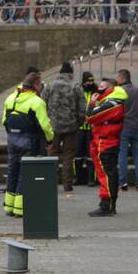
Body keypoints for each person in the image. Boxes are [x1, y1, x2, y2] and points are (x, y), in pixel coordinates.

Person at [1, 72, 54, 217]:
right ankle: (21, 209)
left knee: (13, 171)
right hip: (29, 141)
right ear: (36, 85)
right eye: (40, 84)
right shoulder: (37, 102)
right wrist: (50, 140)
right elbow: (45, 125)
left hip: (12, 140)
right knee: (25, 174)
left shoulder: (11, 98)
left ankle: (9, 206)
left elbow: (4, 120)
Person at [41, 62, 86, 195]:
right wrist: (78, 123)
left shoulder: (49, 86)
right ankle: (67, 184)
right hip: (71, 127)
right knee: (68, 156)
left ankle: (50, 183)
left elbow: (42, 104)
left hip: (52, 127)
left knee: (51, 154)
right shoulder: (75, 87)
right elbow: (82, 109)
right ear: (70, 73)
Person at [86, 78, 128, 216]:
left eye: (102, 86)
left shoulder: (112, 103)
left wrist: (91, 103)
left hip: (106, 143)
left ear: (110, 89)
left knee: (107, 176)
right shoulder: (110, 102)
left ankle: (107, 205)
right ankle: (107, 204)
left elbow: (90, 117)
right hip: (103, 142)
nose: (99, 89)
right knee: (106, 175)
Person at [116, 69, 138, 191]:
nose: (116, 80)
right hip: (136, 127)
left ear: (122, 78)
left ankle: (123, 182)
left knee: (122, 154)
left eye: (118, 78)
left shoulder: (119, 91)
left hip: (123, 127)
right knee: (137, 155)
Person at [75, 71, 99, 186]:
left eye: (92, 81)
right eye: (88, 81)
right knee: (78, 154)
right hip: (80, 127)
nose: (90, 83)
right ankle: (77, 177)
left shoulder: (97, 92)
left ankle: (91, 179)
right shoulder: (79, 91)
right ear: (83, 82)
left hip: (92, 127)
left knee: (91, 154)